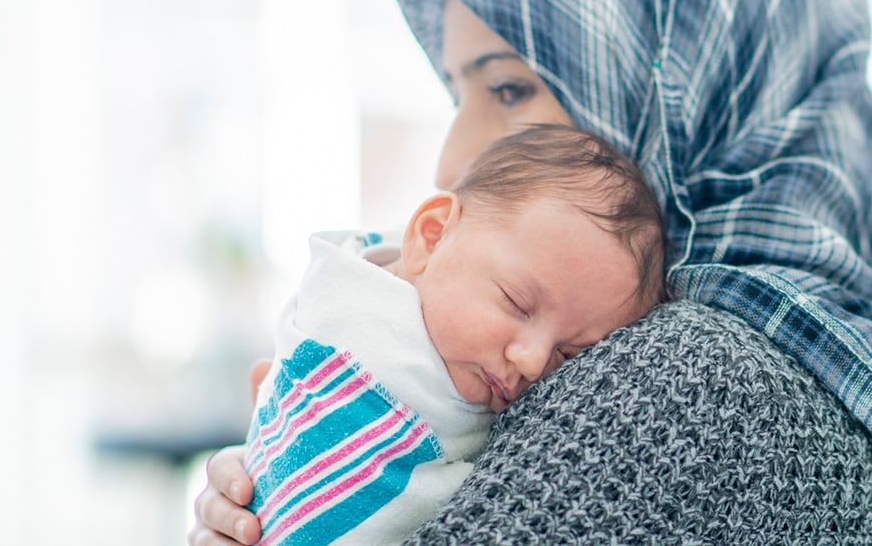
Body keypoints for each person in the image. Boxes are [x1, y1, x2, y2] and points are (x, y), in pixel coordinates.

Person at [190, 0, 872, 544]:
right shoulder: (842, 394)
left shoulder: (693, 381)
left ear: (681, 86)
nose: (452, 158)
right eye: (459, 92)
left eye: (510, 88)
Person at [242, 124, 666, 545]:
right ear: (431, 236)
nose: (534, 362)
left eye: (569, 356)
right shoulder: (353, 321)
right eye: (517, 303)